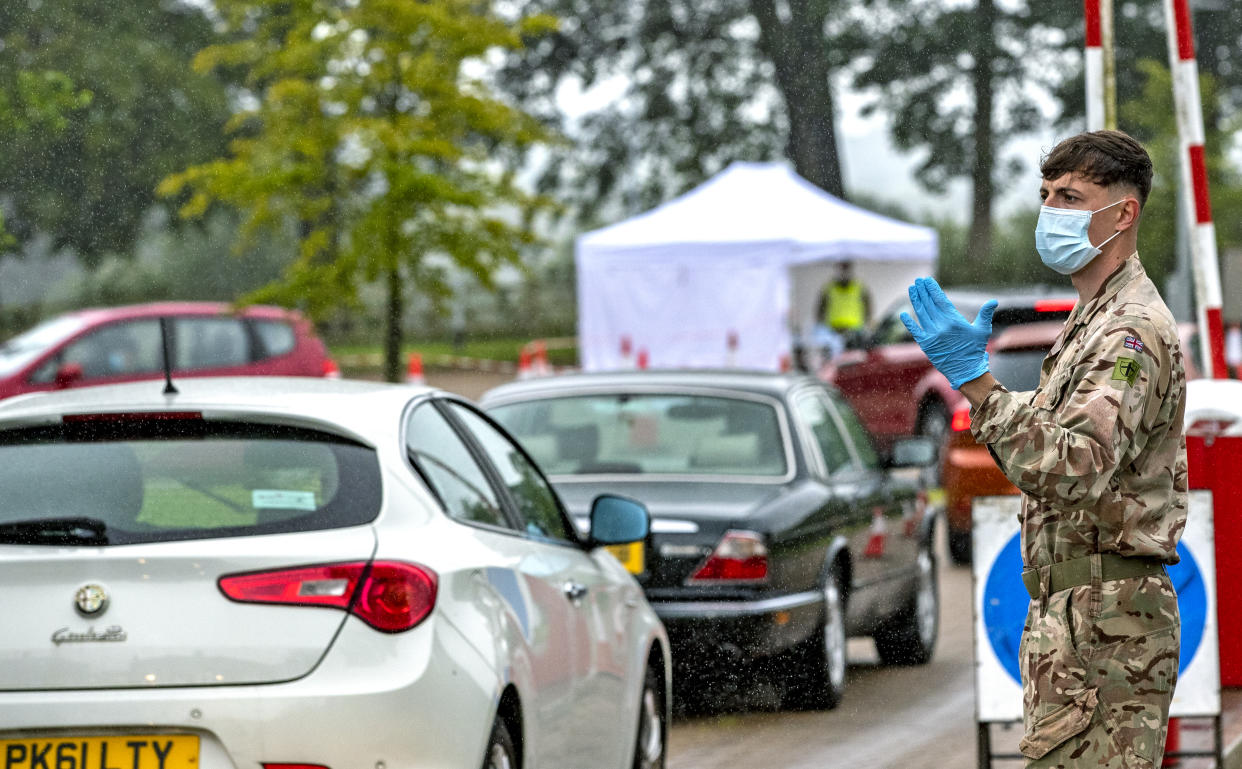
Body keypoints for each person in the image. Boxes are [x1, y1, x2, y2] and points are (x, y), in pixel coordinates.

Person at [900, 130, 1185, 768]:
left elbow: (1077, 467)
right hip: (1079, 615)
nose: (1050, 210)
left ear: (1124, 212)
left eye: (1070, 196)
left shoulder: (1129, 332)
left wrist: (977, 383)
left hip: (1106, 623)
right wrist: (997, 397)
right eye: (1046, 195)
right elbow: (1048, 449)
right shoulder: (1091, 320)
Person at [812, 260, 872, 360]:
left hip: (855, 334)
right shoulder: (828, 288)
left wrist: (867, 325)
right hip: (833, 333)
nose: (844, 272)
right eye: (841, 268)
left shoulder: (860, 287)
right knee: (834, 363)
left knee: (853, 362)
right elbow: (820, 310)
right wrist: (821, 329)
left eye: (846, 268)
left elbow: (868, 308)